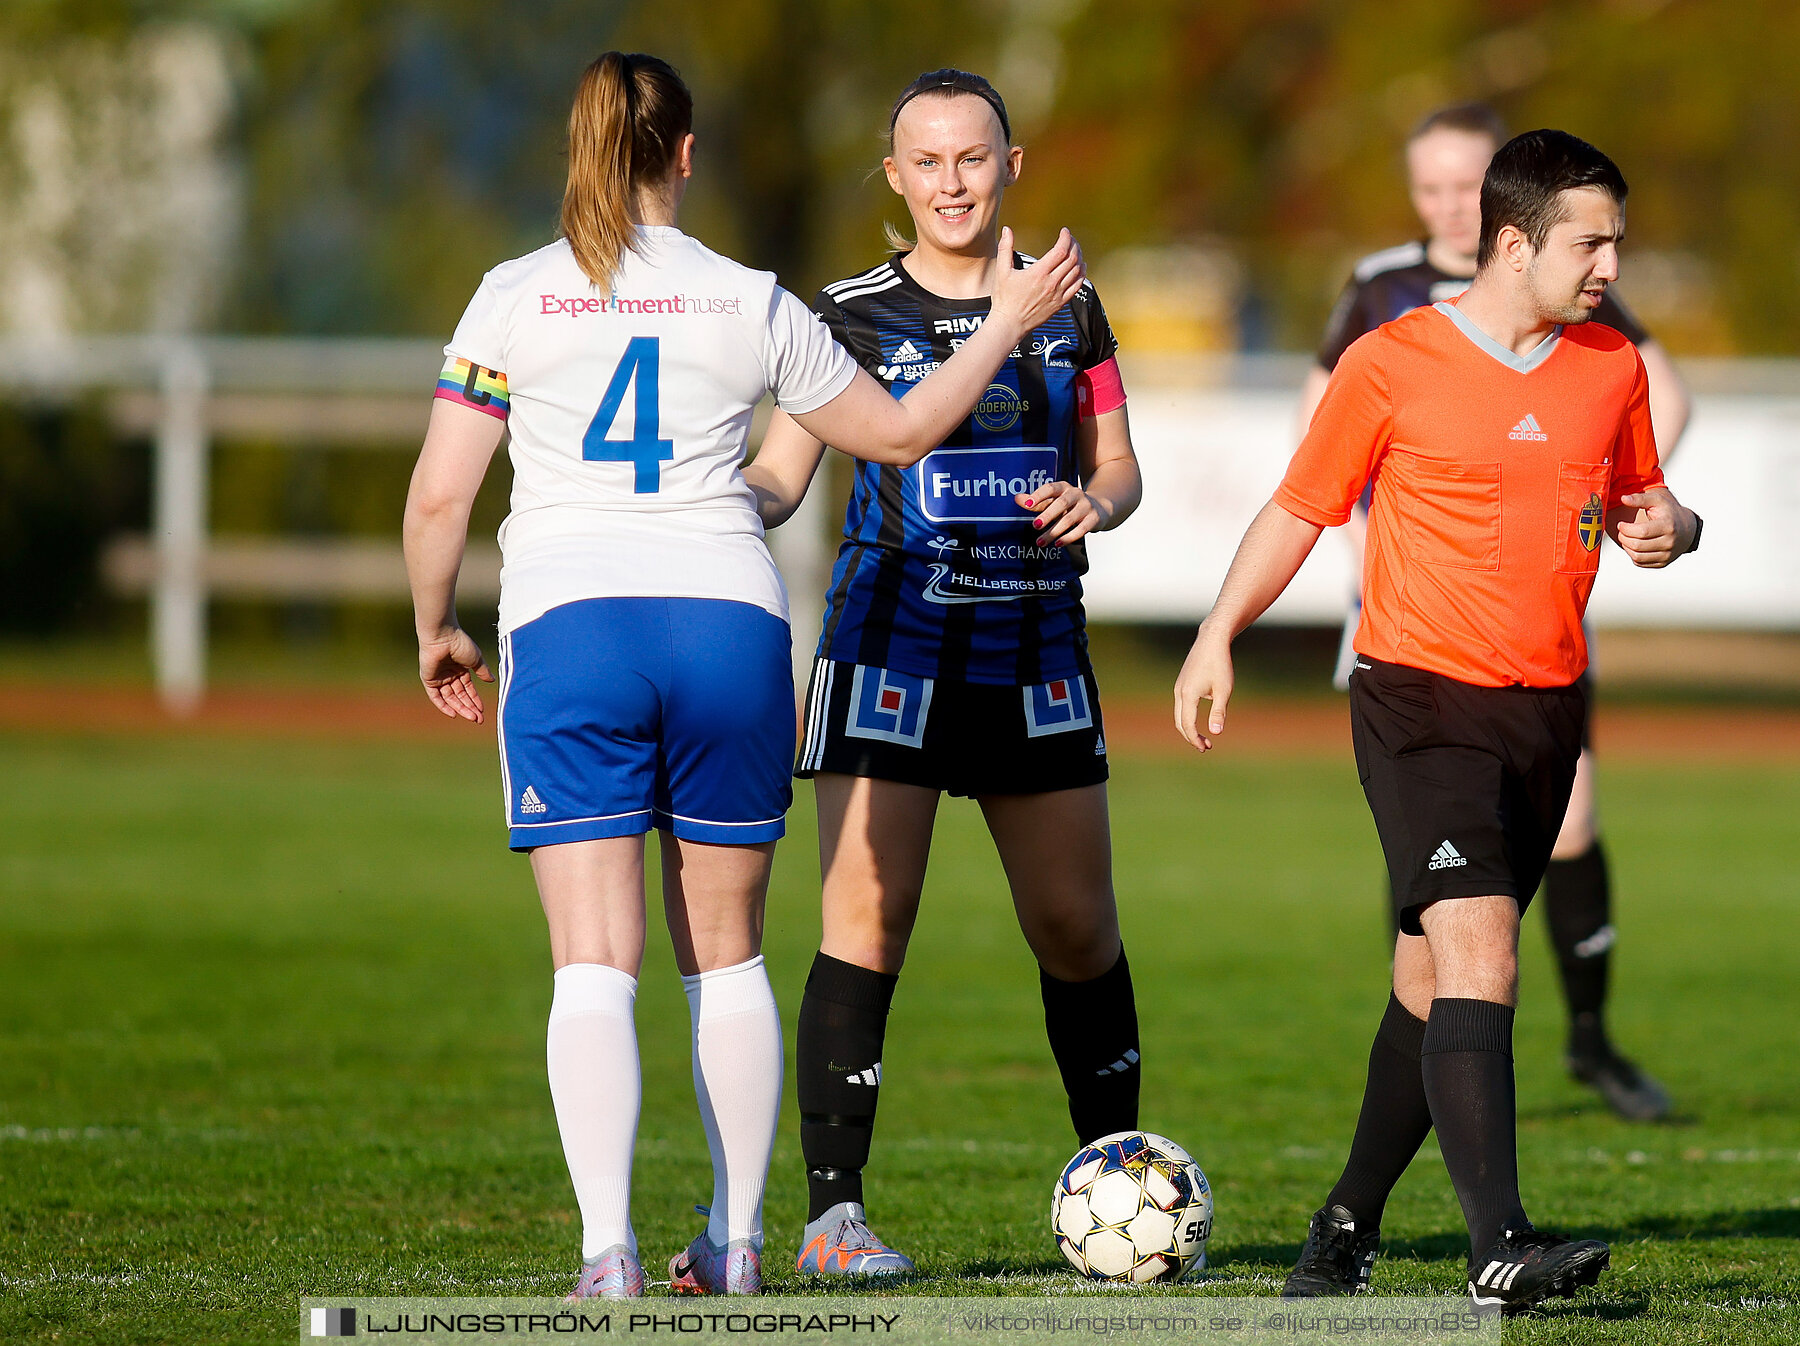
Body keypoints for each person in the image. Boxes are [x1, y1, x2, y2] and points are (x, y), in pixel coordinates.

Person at [402, 52, 1086, 1300]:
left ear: (585, 147)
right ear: (688, 153)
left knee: (592, 961)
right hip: (727, 620)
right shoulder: (751, 298)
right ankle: (740, 1238)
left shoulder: (515, 294)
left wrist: (434, 624)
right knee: (728, 956)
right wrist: (1001, 323)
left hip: (572, 625)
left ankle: (607, 1253)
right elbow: (898, 431)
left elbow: (443, 491)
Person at [1174, 130, 1702, 1311]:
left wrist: (1677, 526)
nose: (1612, 259)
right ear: (1513, 243)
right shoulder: (1392, 358)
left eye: (1617, 237)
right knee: (1484, 952)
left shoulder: (1610, 364)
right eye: (1591, 238)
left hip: (1547, 711)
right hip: (1418, 695)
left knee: (1430, 984)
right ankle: (1498, 1245)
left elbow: (1640, 500)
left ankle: (1345, 1226)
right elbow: (1299, 509)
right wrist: (1218, 633)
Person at [744, 69, 1143, 1279]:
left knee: (1077, 929)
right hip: (890, 655)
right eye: (928, 161)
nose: (953, 181)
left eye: (974, 158)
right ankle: (833, 1218)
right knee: (871, 918)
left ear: (1012, 165)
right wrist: (668, 499)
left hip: (1036, 659)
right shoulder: (845, 315)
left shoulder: (1076, 312)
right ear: (896, 177)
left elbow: (1120, 467)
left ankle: (1119, 1195)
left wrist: (1098, 500)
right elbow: (774, 479)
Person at [1297, 103, 1687, 1122]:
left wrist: (1644, 512)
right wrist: (1355, 549)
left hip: (1540, 629)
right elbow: (1315, 457)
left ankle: (1355, 1213)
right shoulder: (1382, 301)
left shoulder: (1583, 301)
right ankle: (1495, 1240)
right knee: (1460, 917)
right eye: (1427, 183)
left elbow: (1643, 422)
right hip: (1415, 639)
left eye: (1460, 181)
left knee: (1476, 916)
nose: (1444, 201)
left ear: (1498, 194)